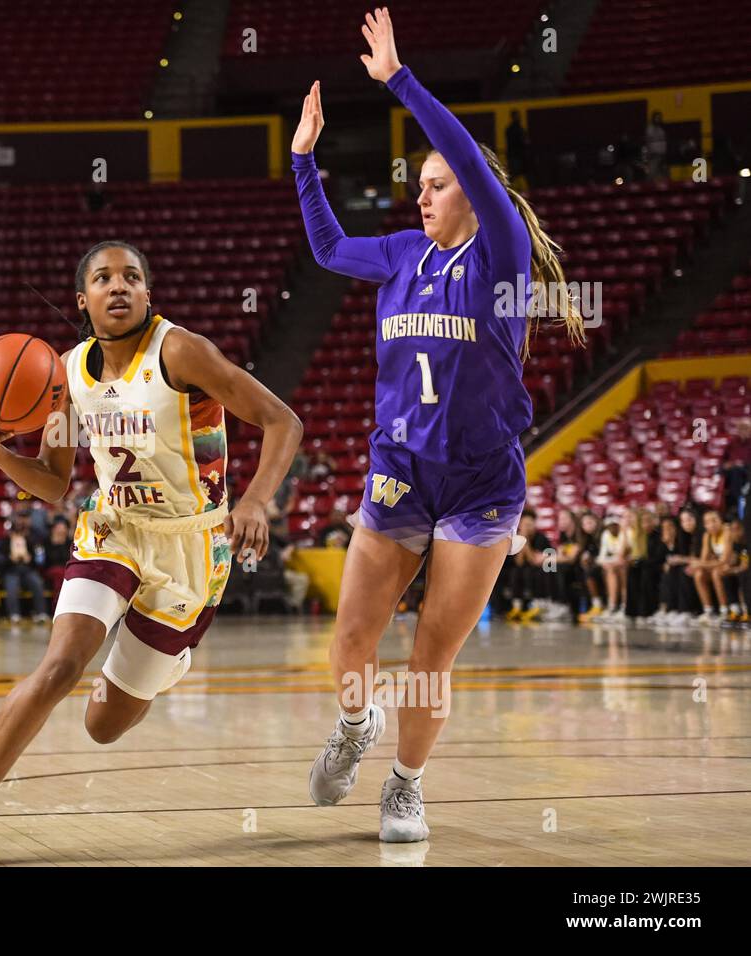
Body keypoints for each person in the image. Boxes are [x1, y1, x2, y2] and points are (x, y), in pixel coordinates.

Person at [291, 8, 584, 844]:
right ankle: (354, 728)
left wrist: (399, 82)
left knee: (430, 657)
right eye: (417, 184)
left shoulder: (500, 257)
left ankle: (406, 788)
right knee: (353, 635)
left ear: (470, 188)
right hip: (399, 468)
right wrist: (303, 160)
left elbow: (463, 155)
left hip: (481, 479)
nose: (420, 192)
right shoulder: (398, 256)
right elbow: (326, 248)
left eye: (436, 183)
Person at [0, 240, 302, 865]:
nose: (118, 286)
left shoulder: (181, 352)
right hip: (114, 528)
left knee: (102, 727)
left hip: (192, 546)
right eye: (103, 278)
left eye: (131, 276)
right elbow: (53, 482)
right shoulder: (67, 372)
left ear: (148, 293)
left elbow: (283, 420)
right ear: (84, 299)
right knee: (60, 665)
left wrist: (257, 501)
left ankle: (159, 660)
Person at [0, 514, 48, 624]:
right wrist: (9, 559)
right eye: (15, 532)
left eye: (19, 532)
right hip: (11, 571)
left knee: (37, 583)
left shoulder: (30, 542)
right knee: (11, 588)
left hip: (27, 570)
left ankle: (41, 613)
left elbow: (39, 560)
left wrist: (30, 559)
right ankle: (14, 614)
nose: (17, 534)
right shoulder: (5, 543)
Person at [644, 112, 668, 182]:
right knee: (652, 174)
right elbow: (648, 142)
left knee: (663, 174)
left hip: (662, 156)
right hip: (653, 156)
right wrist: (649, 154)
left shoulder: (662, 129)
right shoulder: (650, 129)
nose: (658, 120)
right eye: (656, 118)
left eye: (659, 118)